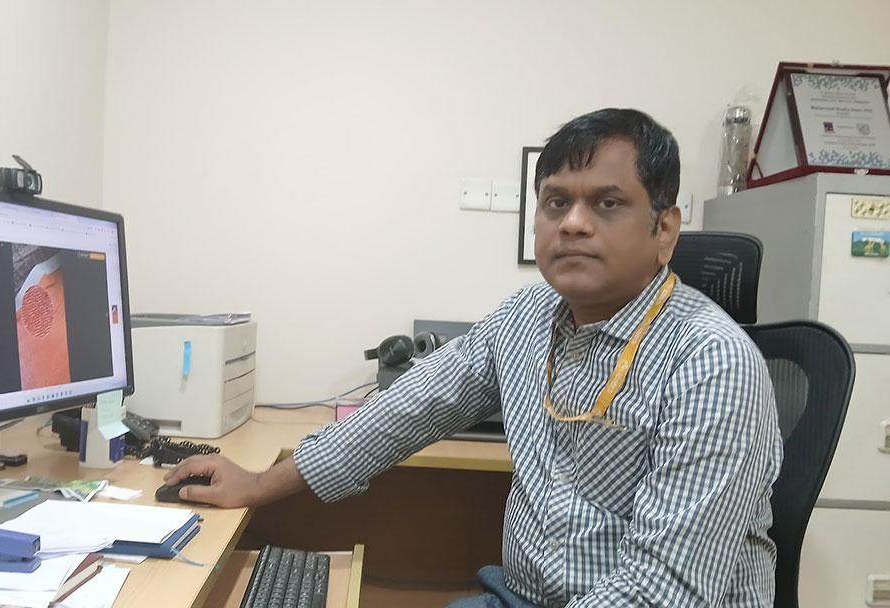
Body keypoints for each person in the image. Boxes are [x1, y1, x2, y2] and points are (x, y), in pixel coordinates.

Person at [164, 108, 783, 607]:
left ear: (666, 229)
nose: (572, 224)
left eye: (608, 204)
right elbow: (407, 408)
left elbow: (661, 591)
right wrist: (257, 483)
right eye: (555, 202)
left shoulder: (712, 363)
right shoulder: (525, 319)